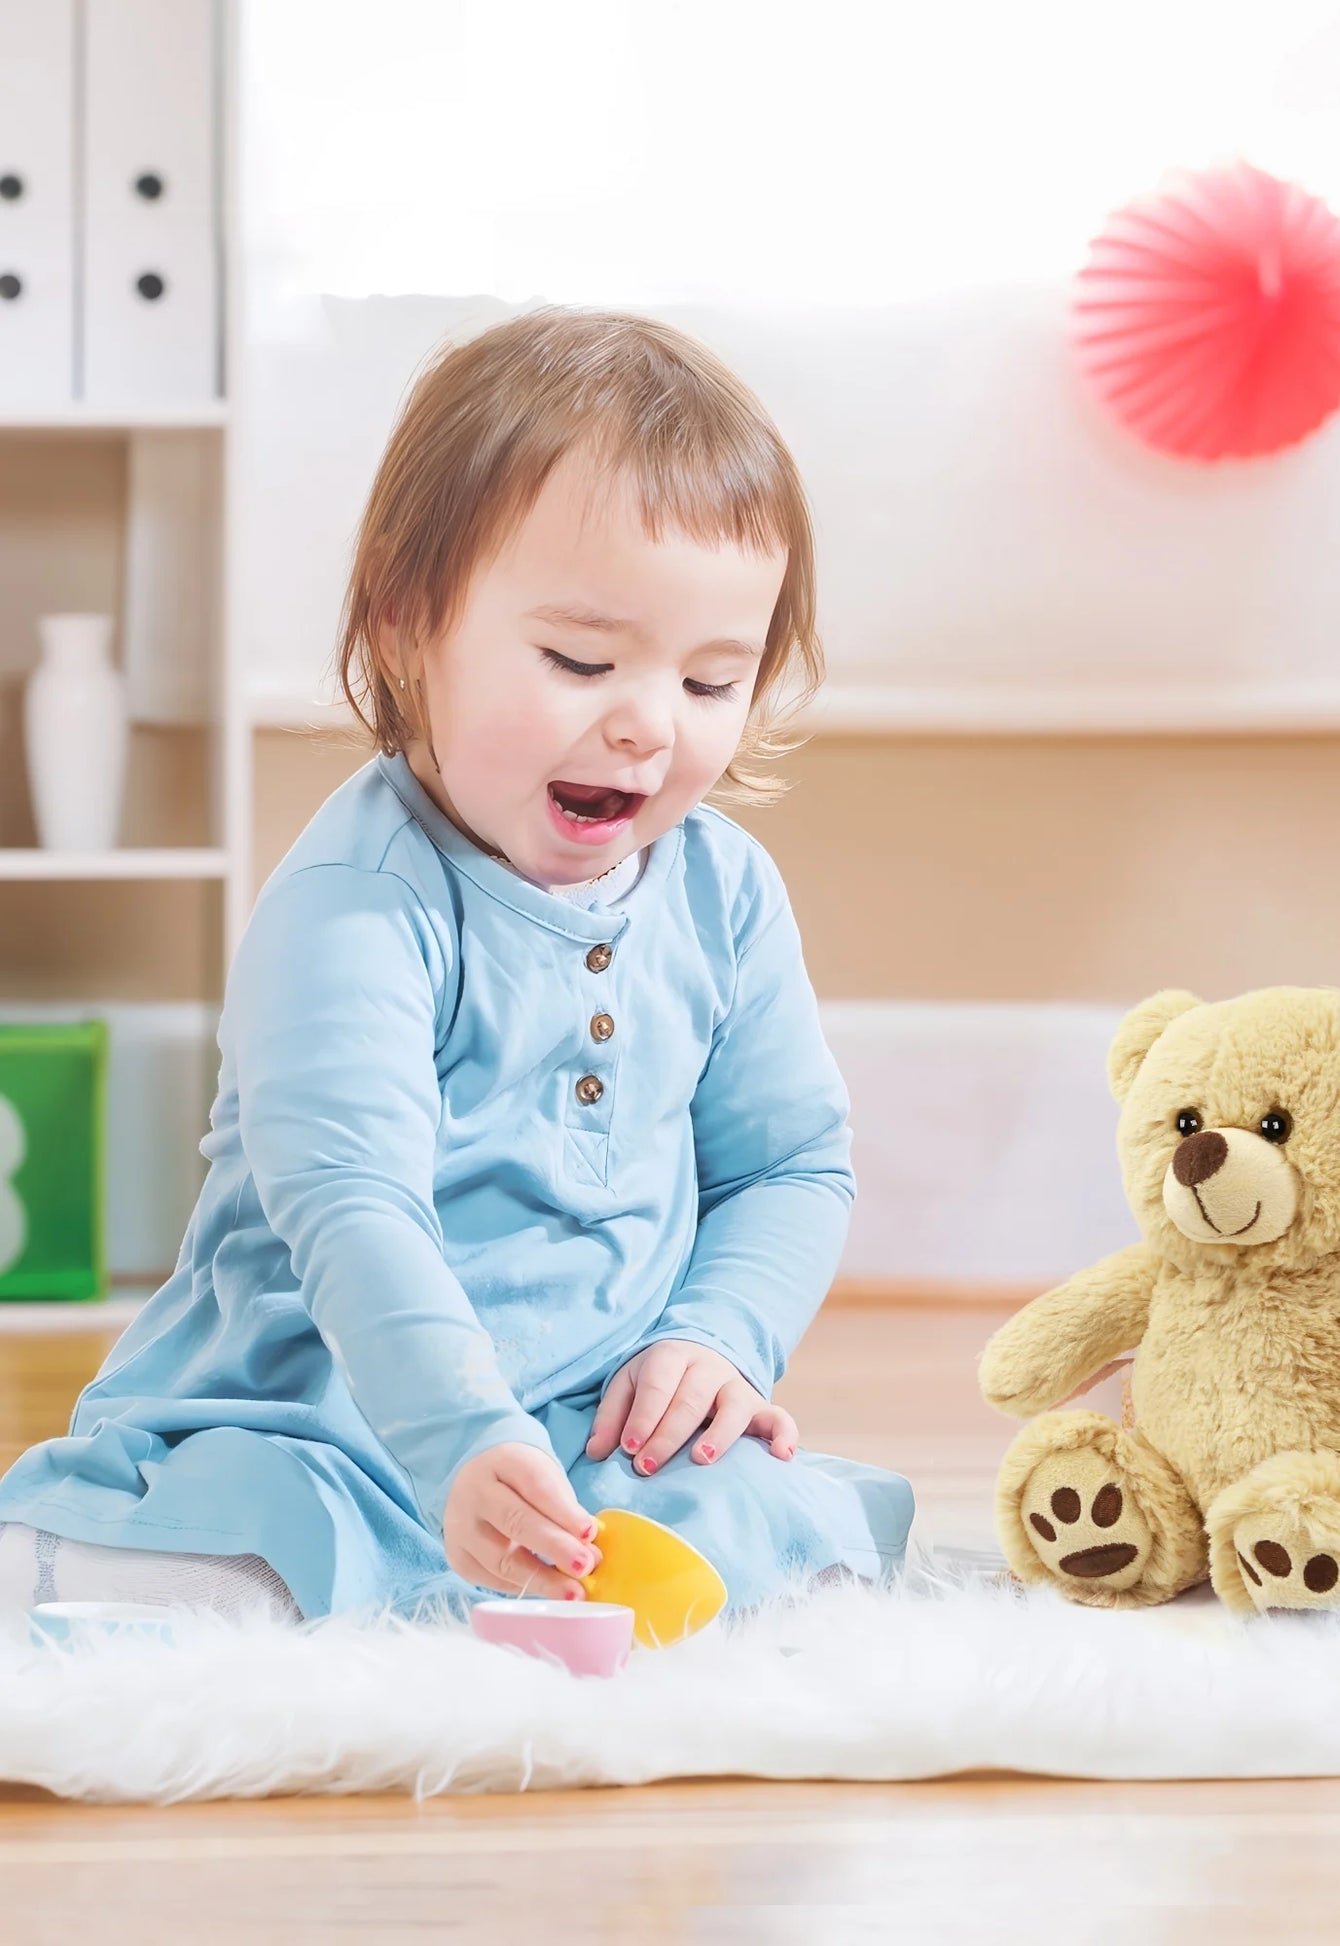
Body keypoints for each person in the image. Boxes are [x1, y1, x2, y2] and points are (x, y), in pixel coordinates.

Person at [0, 308, 914, 1622]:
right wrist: (462, 1443)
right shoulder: (357, 905)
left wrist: (717, 1334)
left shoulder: (724, 893)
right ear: (405, 623)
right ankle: (97, 1567)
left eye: (712, 683)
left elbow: (789, 1166)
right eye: (581, 660)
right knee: (271, 1537)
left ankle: (521, 1586)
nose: (647, 724)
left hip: (585, 1415)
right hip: (323, 1404)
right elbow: (353, 1206)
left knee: (770, 1526)